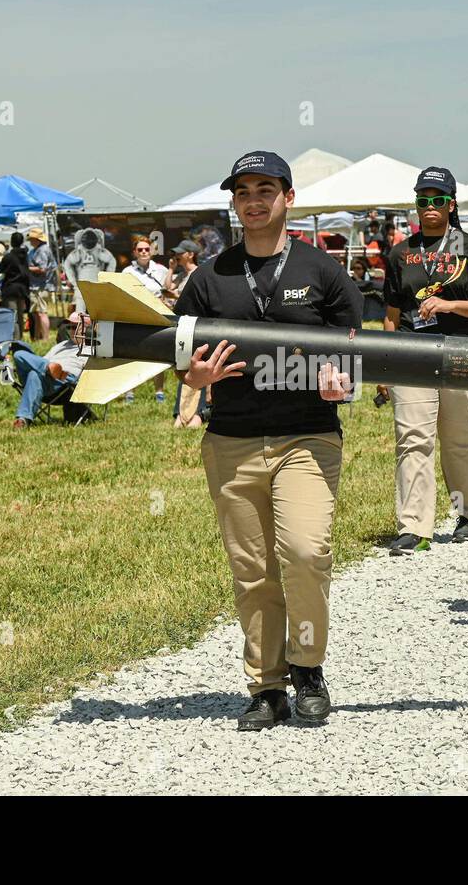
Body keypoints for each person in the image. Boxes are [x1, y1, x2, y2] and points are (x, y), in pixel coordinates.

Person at [173, 150, 364, 730]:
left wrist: (342, 386)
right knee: (251, 569)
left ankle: (308, 667)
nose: (253, 201)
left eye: (265, 190)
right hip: (231, 440)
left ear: (288, 197)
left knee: (306, 553)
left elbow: (355, 353)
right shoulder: (209, 276)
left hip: (307, 436)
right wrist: (195, 380)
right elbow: (182, 355)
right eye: (243, 192)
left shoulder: (323, 272)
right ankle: (267, 686)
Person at [380, 166, 468, 555]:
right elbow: (392, 313)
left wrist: (450, 303)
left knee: (459, 439)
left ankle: (467, 513)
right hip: (411, 353)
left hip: (462, 351)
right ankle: (414, 527)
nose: (429, 206)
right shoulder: (401, 253)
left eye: (437, 199)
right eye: (422, 200)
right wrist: (384, 363)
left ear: (451, 204)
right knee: (412, 439)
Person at [12, 318, 87, 428]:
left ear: (86, 329)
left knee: (34, 374)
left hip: (65, 382)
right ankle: (48, 367)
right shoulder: (60, 345)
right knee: (19, 355)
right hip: (46, 377)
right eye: (69, 327)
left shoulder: (90, 350)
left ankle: (24, 419)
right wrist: (46, 367)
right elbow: (43, 359)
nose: (71, 330)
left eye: (75, 327)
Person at [123, 237, 171, 403]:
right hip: (135, 316)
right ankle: (129, 392)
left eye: (147, 249)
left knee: (158, 354)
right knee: (132, 354)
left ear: (151, 251)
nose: (144, 252)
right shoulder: (127, 272)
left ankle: (159, 392)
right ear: (134, 252)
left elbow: (168, 291)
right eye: (140, 250)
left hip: (157, 316)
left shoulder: (161, 270)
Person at [63, 228, 116, 312]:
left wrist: (106, 279)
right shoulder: (79, 251)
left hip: (98, 286)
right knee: (80, 313)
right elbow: (67, 263)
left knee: (99, 313)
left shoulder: (99, 250)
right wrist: (73, 281)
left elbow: (111, 261)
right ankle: (82, 324)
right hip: (81, 286)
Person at [25, 228, 57, 341]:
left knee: (42, 313)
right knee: (36, 313)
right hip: (37, 286)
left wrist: (26, 269)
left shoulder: (42, 250)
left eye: (32, 239)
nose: (30, 241)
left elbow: (42, 269)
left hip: (41, 286)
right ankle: (38, 337)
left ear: (36, 239)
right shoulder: (37, 250)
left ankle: (45, 338)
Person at [0, 232, 31, 338]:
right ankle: (20, 337)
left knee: (12, 315)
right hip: (23, 289)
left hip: (10, 288)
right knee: (20, 316)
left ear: (12, 242)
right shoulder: (25, 256)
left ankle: (15, 339)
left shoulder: (8, 257)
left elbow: (0, 272)